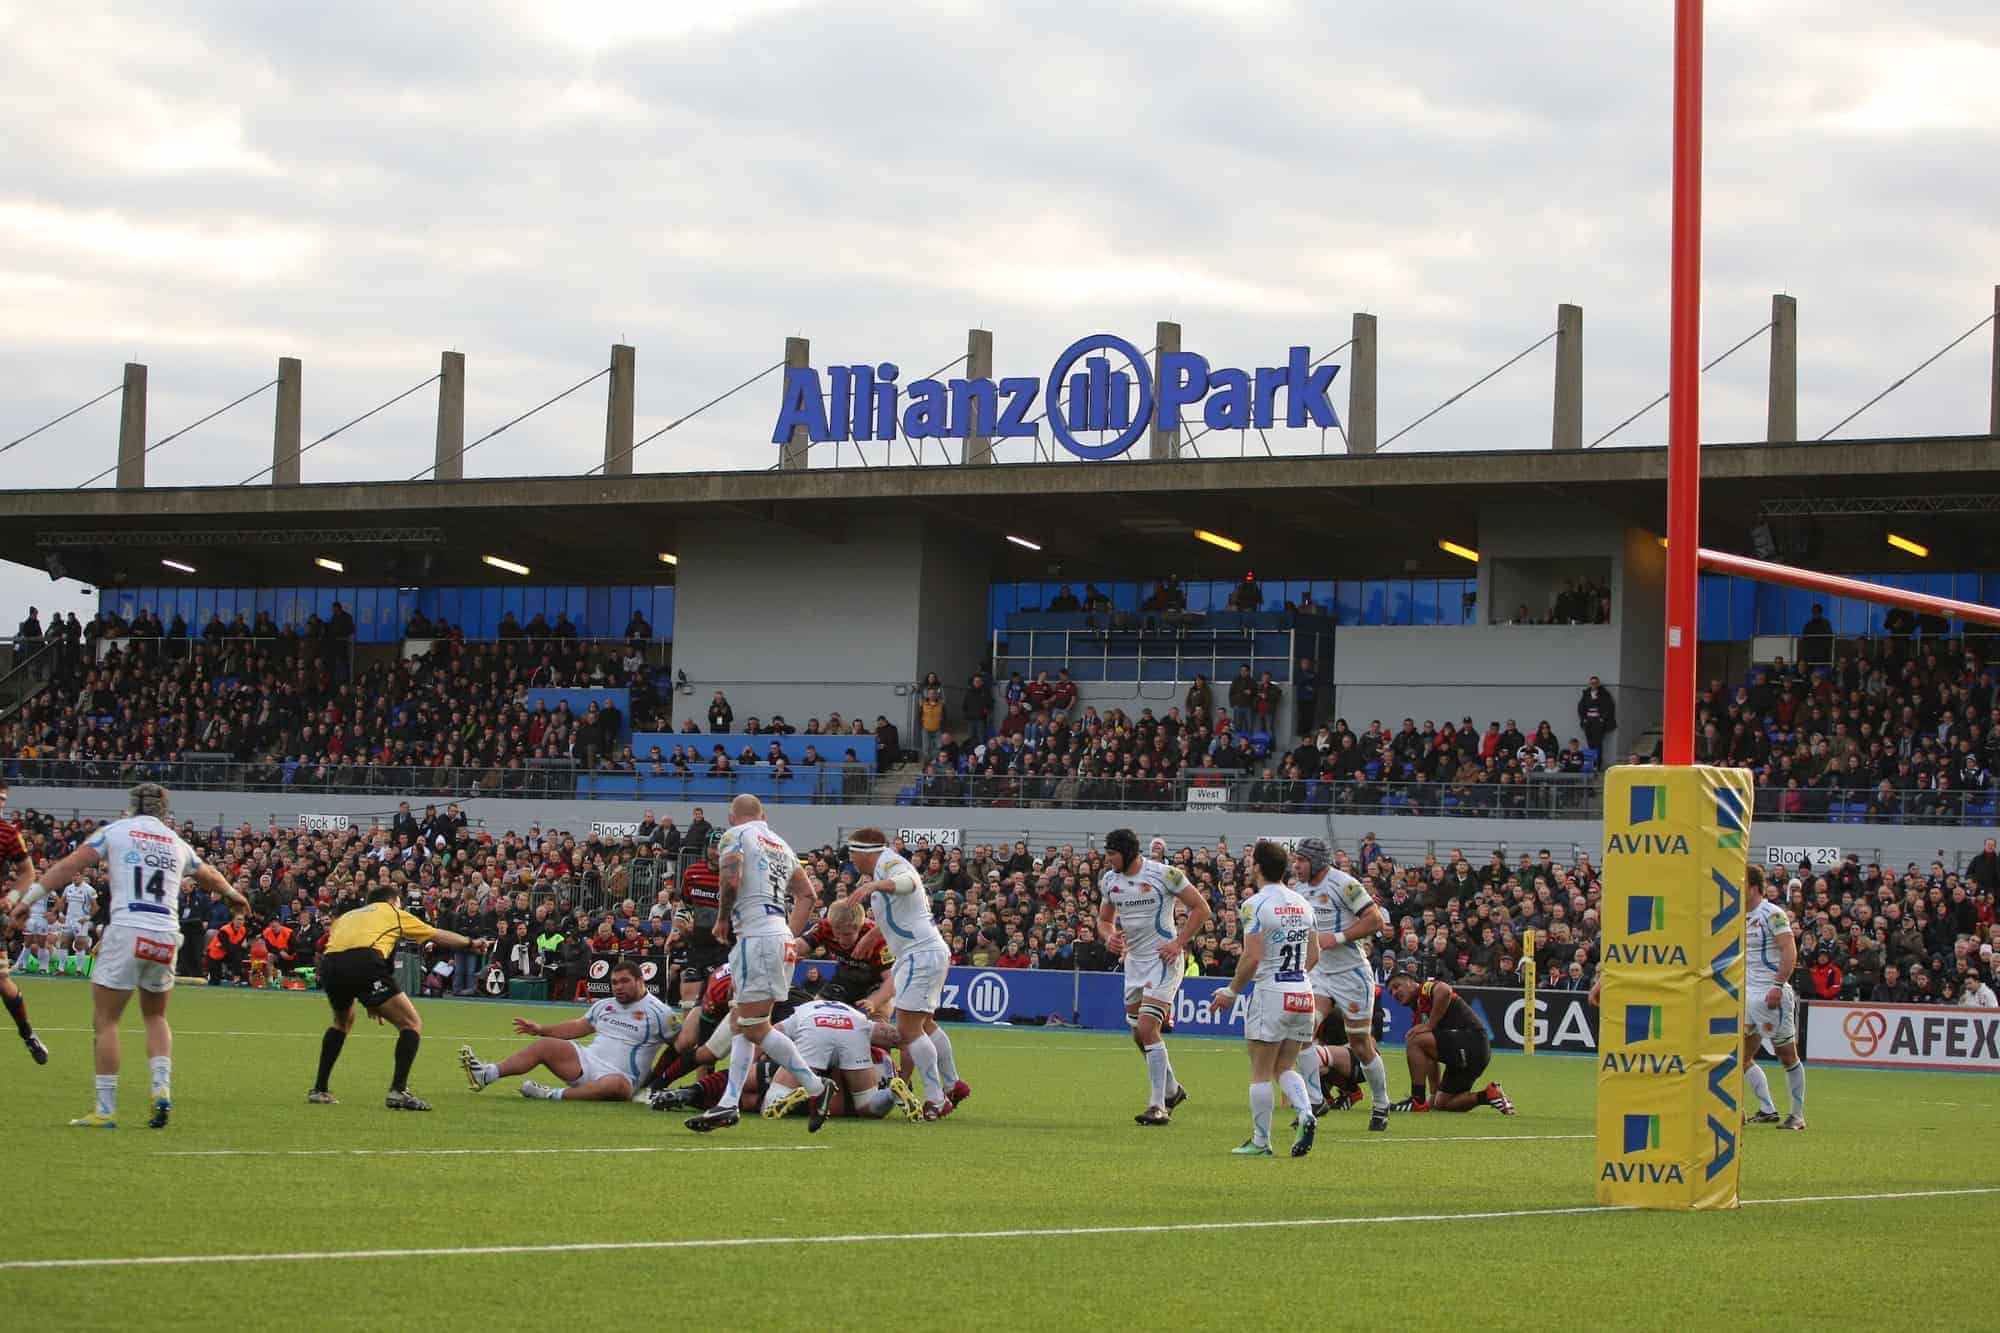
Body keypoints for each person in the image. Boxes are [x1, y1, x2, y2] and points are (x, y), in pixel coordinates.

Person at [6, 783, 246, 1128]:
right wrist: (232, 894)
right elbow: (208, 875)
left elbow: (66, 866)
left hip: (128, 929)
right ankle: (161, 1090)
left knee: (106, 1021)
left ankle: (105, 1109)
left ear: (132, 806)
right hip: (165, 935)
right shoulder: (176, 843)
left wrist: (28, 901)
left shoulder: (116, 832)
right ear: (165, 811)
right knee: (156, 1017)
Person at [683, 795, 832, 1132]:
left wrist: (722, 918)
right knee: (742, 1020)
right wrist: (788, 937)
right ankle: (728, 1104)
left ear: (733, 817)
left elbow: (731, 878)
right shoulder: (782, 844)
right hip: (776, 935)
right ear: (763, 815)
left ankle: (816, 1088)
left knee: (752, 1025)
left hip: (756, 937)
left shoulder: (735, 835)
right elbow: (807, 895)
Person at [309, 886, 487, 1111]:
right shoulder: (392, 912)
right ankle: (398, 1090)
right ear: (393, 901)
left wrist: (370, 1000)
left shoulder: (348, 916)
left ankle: (319, 1089)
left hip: (330, 964)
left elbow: (345, 948)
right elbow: (435, 934)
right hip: (364, 961)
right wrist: (471, 943)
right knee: (411, 1023)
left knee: (342, 1022)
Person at [839, 827, 966, 1119]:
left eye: (853, 853)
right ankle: (952, 1084)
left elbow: (909, 882)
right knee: (926, 1024)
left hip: (919, 953)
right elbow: (898, 915)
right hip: (922, 951)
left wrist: (875, 886)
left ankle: (936, 1099)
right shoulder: (881, 871)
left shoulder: (889, 863)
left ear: (863, 851)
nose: (852, 860)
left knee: (909, 1030)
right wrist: (871, 937)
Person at [1210, 840, 1321, 1157]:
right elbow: (1315, 953)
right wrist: (1295, 977)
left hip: (1272, 992)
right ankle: (1305, 1110)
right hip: (1302, 991)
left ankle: (1261, 1141)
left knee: (1260, 1070)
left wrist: (1231, 991)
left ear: (1257, 866)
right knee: (1285, 1066)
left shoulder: (1254, 905)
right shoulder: (1303, 903)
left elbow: (1252, 956)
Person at [1097, 827, 1212, 1126]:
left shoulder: (1165, 875)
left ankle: (1157, 1105)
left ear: (1128, 852)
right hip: (1134, 964)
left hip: (1163, 960)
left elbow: (1202, 909)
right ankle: (1172, 1089)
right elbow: (1104, 920)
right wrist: (1109, 936)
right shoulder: (1110, 881)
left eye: (1112, 853)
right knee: (1139, 1034)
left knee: (1148, 1027)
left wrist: (1178, 942)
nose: (1108, 859)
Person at [459, 959, 674, 1101]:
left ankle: (551, 1094)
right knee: (545, 1046)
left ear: (640, 980)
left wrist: (657, 1081)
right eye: (614, 982)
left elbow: (681, 1046)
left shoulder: (660, 1013)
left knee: (616, 1085)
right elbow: (577, 1027)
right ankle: (487, 1074)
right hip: (587, 1062)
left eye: (624, 981)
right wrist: (540, 1029)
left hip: (623, 1078)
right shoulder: (604, 1005)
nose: (618, 987)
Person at [1289, 839, 1392, 1129]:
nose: (1296, 866)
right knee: (1302, 1031)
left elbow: (1374, 921)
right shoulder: (1298, 890)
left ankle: (1382, 1104)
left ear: (1317, 862)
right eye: (1295, 860)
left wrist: (1335, 938)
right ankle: (1314, 1102)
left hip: (1351, 973)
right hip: (1320, 974)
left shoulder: (1344, 884)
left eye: (1301, 860)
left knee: (1360, 1044)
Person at [757, 995, 921, 1122]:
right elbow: (888, 1033)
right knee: (866, 1105)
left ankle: (793, 1093)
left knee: (768, 1104)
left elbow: (768, 1034)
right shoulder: (853, 1014)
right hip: (853, 1032)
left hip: (815, 1031)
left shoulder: (802, 1011)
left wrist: (757, 1059)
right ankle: (892, 1093)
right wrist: (905, 1044)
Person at [1385, 968, 1513, 1114]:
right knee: (1442, 1103)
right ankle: (1489, 1095)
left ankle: (1416, 1100)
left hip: (1472, 1041)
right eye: (1390, 992)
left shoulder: (1424, 989)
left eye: (1396, 987)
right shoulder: (1417, 1013)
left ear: (1410, 982)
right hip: (1475, 1055)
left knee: (1414, 1039)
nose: (1394, 993)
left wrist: (1430, 1025)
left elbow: (1445, 990)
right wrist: (1433, 1094)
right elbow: (1429, 1057)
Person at [1741, 863, 1806, 1130]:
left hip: (1771, 994)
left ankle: (1797, 1116)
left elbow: (1789, 950)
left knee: (1786, 1053)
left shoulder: (1772, 914)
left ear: (1753, 886)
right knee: (1738, 1056)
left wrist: (1778, 985)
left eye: (1740, 881)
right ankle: (1765, 1109)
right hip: (1746, 996)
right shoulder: (1737, 915)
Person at [0, 783, 51, 1063]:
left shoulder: (8, 833)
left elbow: (27, 872)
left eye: (3, 800)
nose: (0, 804)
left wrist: (12, 897)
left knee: (2, 980)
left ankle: (28, 1034)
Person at [1576, 676, 1617, 755]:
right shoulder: (1586, 694)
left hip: (1598, 722)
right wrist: (1583, 718)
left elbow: (1609, 707)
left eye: (1595, 683)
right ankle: (1592, 762)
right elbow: (1581, 707)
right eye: (1592, 683)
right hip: (1588, 722)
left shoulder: (1604, 694)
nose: (1593, 684)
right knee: (1590, 743)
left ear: (1598, 684)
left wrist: (1602, 718)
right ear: (1590, 684)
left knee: (1598, 744)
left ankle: (1597, 764)